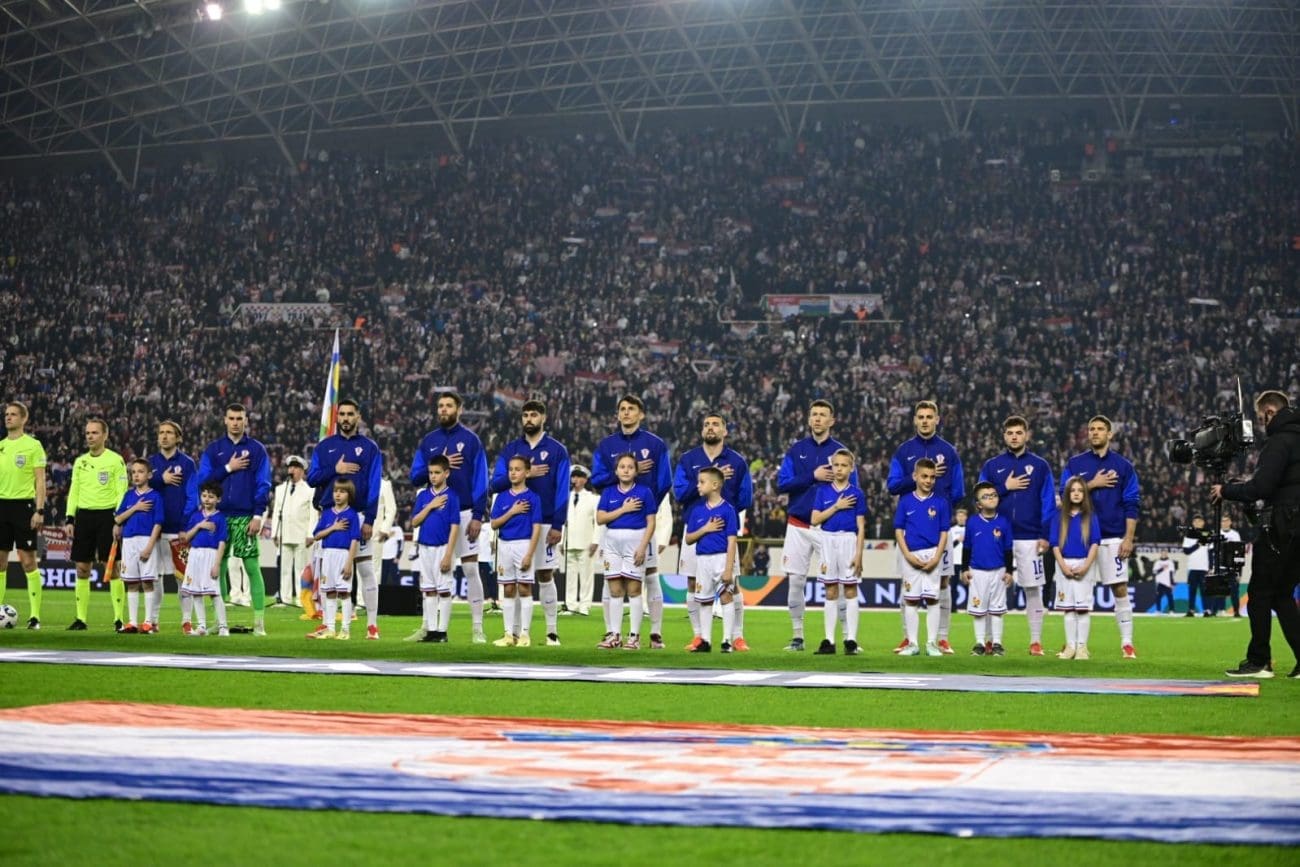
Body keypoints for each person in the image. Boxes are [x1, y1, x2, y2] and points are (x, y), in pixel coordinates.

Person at [1211, 390, 1300, 679]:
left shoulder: (1280, 441)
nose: (1262, 424)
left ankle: (1259, 661)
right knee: (1283, 594)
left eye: (1262, 418)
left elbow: (1262, 487)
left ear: (1270, 413)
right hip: (1296, 529)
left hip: (1282, 526)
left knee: (1260, 592)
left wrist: (1227, 489)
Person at [589, 395, 672, 649]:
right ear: (617, 414)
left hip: (643, 521)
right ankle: (611, 632)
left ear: (641, 414)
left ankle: (655, 632)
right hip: (614, 519)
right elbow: (597, 478)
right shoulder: (607, 445)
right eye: (622, 409)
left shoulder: (655, 444)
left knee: (651, 575)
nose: (626, 413)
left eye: (631, 409)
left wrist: (646, 503)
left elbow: (665, 481)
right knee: (611, 579)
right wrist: (625, 474)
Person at [776, 400, 856, 652]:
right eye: (814, 414)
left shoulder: (841, 453)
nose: (818, 418)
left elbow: (853, 491)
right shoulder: (797, 450)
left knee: (838, 584)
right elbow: (782, 484)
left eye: (823, 415)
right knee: (796, 581)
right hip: (798, 525)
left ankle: (848, 638)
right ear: (809, 419)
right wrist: (812, 476)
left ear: (832, 421)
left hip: (829, 529)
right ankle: (797, 636)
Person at [410, 392, 489, 643]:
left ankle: (477, 628)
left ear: (459, 409)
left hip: (464, 513)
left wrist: (477, 515)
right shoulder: (429, 441)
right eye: (440, 406)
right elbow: (415, 477)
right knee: (430, 573)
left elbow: (481, 480)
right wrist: (440, 462)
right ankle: (427, 627)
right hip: (434, 512)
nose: (444, 409)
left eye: (449, 405)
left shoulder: (471, 440)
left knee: (470, 568)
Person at [490, 401, 571, 646]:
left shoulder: (557, 450)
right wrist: (528, 473)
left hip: (544, 522)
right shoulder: (511, 449)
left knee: (545, 574)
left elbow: (562, 488)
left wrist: (558, 523)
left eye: (534, 415)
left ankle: (551, 632)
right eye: (525, 415)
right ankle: (514, 633)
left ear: (543, 418)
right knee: (514, 581)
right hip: (514, 525)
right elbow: (495, 483)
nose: (529, 419)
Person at [1061, 415, 1141, 659]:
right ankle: (1076, 645)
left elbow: (1131, 502)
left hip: (1112, 537)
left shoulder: (1123, 466)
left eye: (1100, 429)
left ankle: (1127, 642)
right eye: (1091, 429)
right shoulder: (1075, 464)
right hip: (1080, 539)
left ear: (1110, 434)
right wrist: (1092, 484)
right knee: (1077, 592)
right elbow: (1064, 495)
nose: (1095, 432)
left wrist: (1128, 538)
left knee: (1119, 587)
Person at [887, 401, 964, 655]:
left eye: (929, 417)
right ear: (914, 420)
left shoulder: (949, 452)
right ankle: (908, 638)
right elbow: (892, 485)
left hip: (939, 530)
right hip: (910, 531)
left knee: (942, 582)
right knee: (908, 584)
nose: (925, 421)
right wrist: (916, 477)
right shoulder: (904, 451)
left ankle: (941, 638)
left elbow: (958, 491)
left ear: (937, 420)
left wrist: (938, 509)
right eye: (920, 416)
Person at [674, 412, 753, 651]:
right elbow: (679, 493)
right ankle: (699, 636)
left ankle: (737, 636)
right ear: (702, 431)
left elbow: (745, 498)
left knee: (732, 583)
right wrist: (711, 477)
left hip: (723, 531)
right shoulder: (688, 459)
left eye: (716, 424)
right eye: (706, 424)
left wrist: (722, 510)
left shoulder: (737, 461)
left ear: (725, 431)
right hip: (695, 527)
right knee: (693, 582)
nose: (710, 427)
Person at [978, 415, 1057, 655]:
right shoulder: (992, 466)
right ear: (1004, 436)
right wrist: (1005, 487)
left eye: (1019, 432)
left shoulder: (1040, 466)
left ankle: (1035, 641)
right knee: (992, 589)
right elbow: (981, 497)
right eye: (1010, 433)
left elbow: (1048, 503)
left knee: (1033, 589)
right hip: (997, 535)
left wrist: (1045, 535)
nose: (1014, 437)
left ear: (1027, 435)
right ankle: (990, 641)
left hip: (1030, 536)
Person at [306, 399, 385, 640]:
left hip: (358, 515)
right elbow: (312, 478)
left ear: (358, 417)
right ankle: (327, 624)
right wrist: (335, 470)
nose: (346, 418)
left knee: (365, 569)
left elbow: (374, 484)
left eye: (350, 414)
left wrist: (369, 518)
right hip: (330, 515)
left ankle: (372, 624)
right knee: (328, 571)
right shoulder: (325, 447)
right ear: (337, 417)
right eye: (342, 414)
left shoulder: (369, 448)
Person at [197, 403, 272, 635]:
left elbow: (263, 483)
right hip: (219, 517)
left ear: (246, 420)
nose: (236, 422)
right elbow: (203, 481)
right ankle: (220, 622)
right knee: (217, 567)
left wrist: (258, 515)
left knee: (251, 566)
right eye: (232, 418)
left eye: (240, 418)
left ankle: (259, 623)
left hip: (245, 517)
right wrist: (229, 467)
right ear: (225, 420)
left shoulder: (257, 450)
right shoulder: (214, 449)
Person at [63, 418, 128, 631]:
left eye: (94, 433)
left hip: (107, 516)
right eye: (88, 433)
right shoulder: (80, 462)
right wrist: (70, 517)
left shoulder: (115, 460)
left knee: (112, 567)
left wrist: (118, 519)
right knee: (82, 568)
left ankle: (119, 619)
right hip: (84, 517)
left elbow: (121, 492)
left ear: (105, 435)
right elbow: (74, 491)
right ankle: (81, 619)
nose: (90, 436)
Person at [595, 453, 656, 650]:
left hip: (635, 542)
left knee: (634, 590)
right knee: (615, 591)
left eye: (630, 467)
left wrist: (643, 546)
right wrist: (623, 509)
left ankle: (634, 637)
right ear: (616, 471)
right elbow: (600, 518)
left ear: (636, 471)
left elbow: (651, 522)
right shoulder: (608, 492)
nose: (626, 470)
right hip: (612, 544)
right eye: (622, 467)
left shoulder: (645, 492)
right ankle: (615, 635)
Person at [810, 449, 868, 655]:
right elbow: (814, 520)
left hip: (848, 540)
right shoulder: (823, 491)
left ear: (851, 468)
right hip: (827, 540)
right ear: (831, 467)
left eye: (844, 465)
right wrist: (836, 506)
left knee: (850, 590)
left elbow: (861, 526)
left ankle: (851, 640)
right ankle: (829, 640)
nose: (839, 469)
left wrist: (859, 554)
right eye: (836, 465)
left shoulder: (857, 493)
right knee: (831, 591)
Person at [893, 459, 950, 656]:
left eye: (932, 477)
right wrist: (907, 555)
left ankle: (931, 643)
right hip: (911, 555)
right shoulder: (905, 501)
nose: (928, 480)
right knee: (911, 600)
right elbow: (899, 531)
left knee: (933, 599)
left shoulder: (941, 502)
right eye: (924, 476)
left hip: (933, 554)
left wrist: (937, 557)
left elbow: (944, 532)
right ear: (915, 476)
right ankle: (913, 644)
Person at [0, 401, 48, 629]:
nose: (8, 417)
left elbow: (40, 481)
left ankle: (35, 616)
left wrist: (39, 510)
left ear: (23, 418)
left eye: (13, 414)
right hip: (1, 506)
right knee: (0, 562)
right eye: (6, 414)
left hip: (24, 507)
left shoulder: (33, 446)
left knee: (28, 561)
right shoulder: (0, 446)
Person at [147, 420, 198, 632]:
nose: (164, 436)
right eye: (161, 432)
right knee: (154, 577)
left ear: (178, 438)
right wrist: (161, 479)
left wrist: (185, 525)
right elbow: (141, 487)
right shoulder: (150, 462)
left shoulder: (187, 463)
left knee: (183, 578)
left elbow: (192, 496)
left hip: (178, 530)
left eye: (169, 432)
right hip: (154, 531)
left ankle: (186, 620)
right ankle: (153, 621)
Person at [682, 467, 739, 653]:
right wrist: (705, 529)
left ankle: (726, 641)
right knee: (704, 600)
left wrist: (729, 568)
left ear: (715, 485)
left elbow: (732, 541)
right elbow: (688, 539)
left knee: (726, 597)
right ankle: (705, 641)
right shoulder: (697, 511)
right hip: (702, 561)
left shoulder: (728, 510)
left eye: (702, 482)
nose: (698, 485)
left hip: (721, 559)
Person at [489, 456, 544, 647]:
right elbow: (494, 523)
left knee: (525, 588)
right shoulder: (501, 497)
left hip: (524, 544)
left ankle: (525, 634)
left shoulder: (533, 498)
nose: (513, 473)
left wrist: (529, 553)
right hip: (504, 545)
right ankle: (508, 635)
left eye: (518, 469)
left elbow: (536, 527)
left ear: (527, 472)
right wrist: (512, 511)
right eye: (511, 469)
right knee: (508, 589)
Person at [410, 455, 460, 643]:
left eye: (437, 473)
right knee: (429, 590)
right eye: (431, 473)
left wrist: (448, 554)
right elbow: (415, 522)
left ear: (446, 473)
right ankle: (431, 630)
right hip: (425, 547)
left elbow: (455, 527)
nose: (433, 476)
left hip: (442, 547)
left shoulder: (452, 497)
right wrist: (430, 506)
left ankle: (442, 631)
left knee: (444, 590)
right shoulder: (423, 496)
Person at [960, 482, 1014, 656]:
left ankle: (997, 642)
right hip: (977, 571)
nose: (991, 498)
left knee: (997, 609)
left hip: (998, 571)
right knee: (978, 610)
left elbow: (1008, 548)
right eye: (986, 496)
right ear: (978, 504)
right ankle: (980, 643)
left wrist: (1009, 571)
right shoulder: (972, 522)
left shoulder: (1004, 521)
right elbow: (967, 547)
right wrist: (964, 569)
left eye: (993, 495)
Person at [1052, 476, 1101, 660]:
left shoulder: (1091, 516)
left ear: (1085, 494)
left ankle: (1082, 647)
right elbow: (1054, 544)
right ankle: (1070, 647)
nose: (1076, 494)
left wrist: (1086, 566)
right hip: (1064, 564)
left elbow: (1095, 543)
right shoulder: (1058, 516)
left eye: (1080, 490)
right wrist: (1063, 566)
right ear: (1067, 494)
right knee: (1068, 609)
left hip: (1084, 564)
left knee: (1083, 608)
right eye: (1073, 490)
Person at [306, 479, 362, 640]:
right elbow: (317, 535)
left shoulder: (352, 515)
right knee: (329, 592)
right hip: (327, 555)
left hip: (343, 555)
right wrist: (333, 527)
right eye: (336, 491)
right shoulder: (327, 514)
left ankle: (345, 630)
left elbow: (354, 540)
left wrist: (349, 562)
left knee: (344, 593)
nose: (338, 494)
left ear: (349, 495)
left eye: (342, 491)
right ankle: (330, 628)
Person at [113, 459, 163, 633]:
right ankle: (132, 622)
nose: (136, 475)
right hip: (128, 541)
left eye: (140, 472)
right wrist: (135, 508)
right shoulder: (129, 496)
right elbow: (118, 518)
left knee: (147, 582)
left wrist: (149, 547)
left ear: (149, 475)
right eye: (133, 472)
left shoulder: (155, 496)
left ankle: (148, 622)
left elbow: (158, 523)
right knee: (132, 583)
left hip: (146, 540)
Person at [263, 455, 317, 609]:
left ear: (302, 471)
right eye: (290, 467)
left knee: (301, 569)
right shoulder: (281, 489)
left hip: (301, 534)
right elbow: (277, 511)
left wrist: (310, 534)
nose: (292, 470)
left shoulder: (309, 490)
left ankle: (301, 599)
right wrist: (275, 532)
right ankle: (284, 598)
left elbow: (313, 514)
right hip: (285, 533)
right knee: (284, 569)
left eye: (295, 467)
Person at [178, 481, 229, 636]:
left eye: (211, 496)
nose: (207, 499)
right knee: (195, 592)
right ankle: (201, 626)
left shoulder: (220, 518)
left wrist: (217, 564)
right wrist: (199, 526)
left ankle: (223, 627)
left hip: (211, 555)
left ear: (218, 499)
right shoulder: (196, 516)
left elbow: (222, 542)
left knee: (214, 593)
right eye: (204, 495)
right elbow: (186, 537)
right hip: (195, 555)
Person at [561, 465, 599, 616]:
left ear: (585, 479)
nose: (575, 479)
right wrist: (561, 541)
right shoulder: (565, 497)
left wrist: (596, 541)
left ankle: (585, 605)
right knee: (570, 576)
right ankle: (570, 605)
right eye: (573, 476)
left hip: (586, 542)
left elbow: (597, 522)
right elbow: (562, 521)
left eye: (578, 476)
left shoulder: (593, 498)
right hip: (569, 541)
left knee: (586, 576)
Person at [1208, 515, 1243, 617]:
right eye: (1223, 521)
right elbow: (1211, 552)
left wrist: (1239, 572)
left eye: (1226, 520)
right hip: (1219, 568)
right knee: (1217, 591)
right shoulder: (1216, 534)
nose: (1225, 523)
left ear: (1230, 522)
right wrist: (1211, 567)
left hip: (1231, 568)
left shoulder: (1235, 534)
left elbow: (1239, 553)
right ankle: (1214, 611)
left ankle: (1236, 611)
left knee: (1234, 592)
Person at [1182, 514, 1209, 617]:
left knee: (1204, 591)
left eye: (1199, 521)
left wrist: (1211, 566)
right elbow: (1186, 551)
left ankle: (1206, 610)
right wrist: (1198, 544)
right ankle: (1191, 610)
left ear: (1203, 523)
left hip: (1204, 567)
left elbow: (1211, 551)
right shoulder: (1188, 535)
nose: (1197, 523)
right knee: (1192, 590)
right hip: (1192, 567)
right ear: (1193, 523)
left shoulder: (1207, 534)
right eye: (1195, 521)